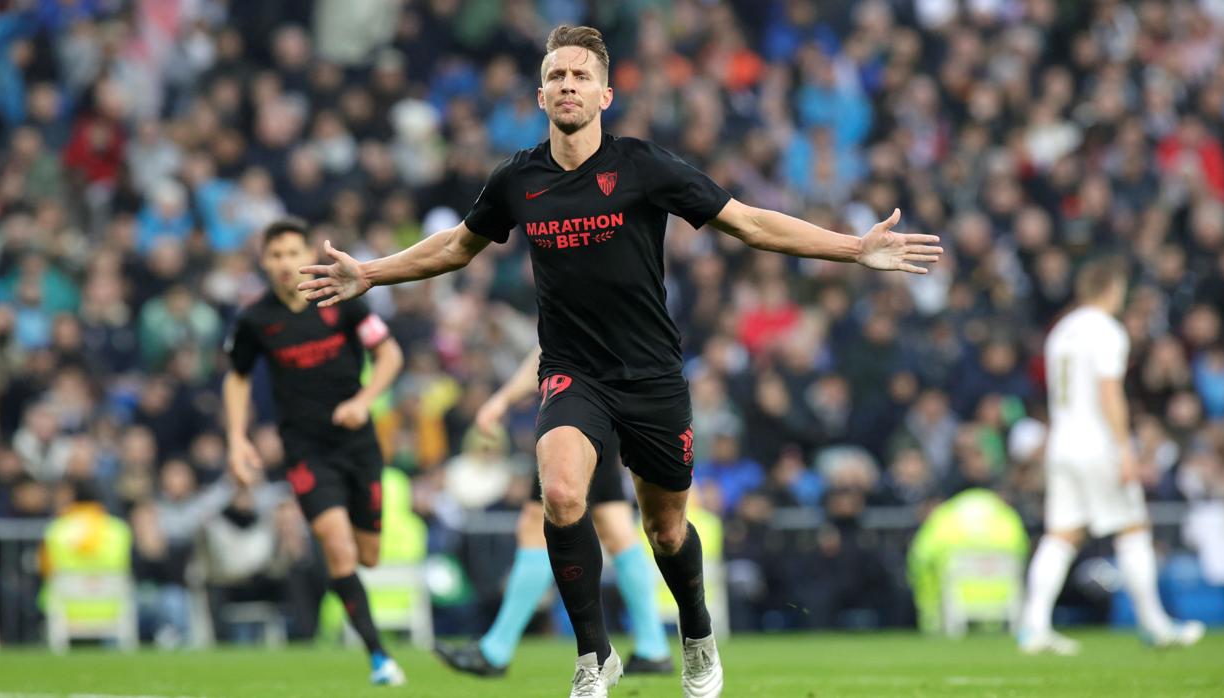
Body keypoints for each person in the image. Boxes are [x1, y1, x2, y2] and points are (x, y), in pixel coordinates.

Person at [299, 25, 940, 698]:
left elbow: (749, 222)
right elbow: (456, 247)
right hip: (573, 373)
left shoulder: (642, 167)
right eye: (557, 76)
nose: (568, 85)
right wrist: (370, 273)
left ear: (605, 94)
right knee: (563, 491)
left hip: (652, 377)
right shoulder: (518, 179)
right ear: (539, 93)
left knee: (665, 530)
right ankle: (593, 656)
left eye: (580, 77)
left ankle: (696, 634)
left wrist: (853, 249)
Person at [223, 219, 407, 685]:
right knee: (337, 545)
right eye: (276, 255)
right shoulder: (256, 319)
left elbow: (390, 355)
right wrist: (236, 438)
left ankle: (374, 646)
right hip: (305, 449)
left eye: (292, 253)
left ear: (308, 252)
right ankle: (380, 658)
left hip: (358, 445)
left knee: (368, 556)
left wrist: (363, 402)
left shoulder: (339, 297)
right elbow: (238, 376)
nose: (285, 263)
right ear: (264, 262)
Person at [434, 346, 673, 677]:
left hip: (574, 416)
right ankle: (653, 647)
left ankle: (496, 650)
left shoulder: (572, 296)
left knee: (540, 524)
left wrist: (502, 399)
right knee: (614, 525)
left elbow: (548, 349)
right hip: (598, 410)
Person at [1018, 259, 1204, 655]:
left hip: (1062, 444)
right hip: (1096, 445)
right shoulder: (1106, 330)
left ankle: (1033, 626)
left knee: (1062, 534)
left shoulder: (1061, 331)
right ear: (1112, 289)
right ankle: (1156, 625)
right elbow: (1108, 392)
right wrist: (1124, 449)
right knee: (1133, 528)